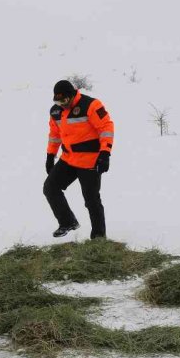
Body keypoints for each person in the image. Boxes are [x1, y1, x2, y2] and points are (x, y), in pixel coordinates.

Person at [43, 79, 115, 239]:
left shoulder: (91, 105)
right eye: (57, 101)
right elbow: (54, 135)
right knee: (50, 187)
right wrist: (50, 156)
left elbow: (106, 128)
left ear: (72, 95)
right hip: (68, 159)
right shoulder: (55, 111)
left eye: (64, 100)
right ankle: (67, 221)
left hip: (90, 160)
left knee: (91, 200)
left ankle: (98, 236)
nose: (61, 104)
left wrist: (105, 153)